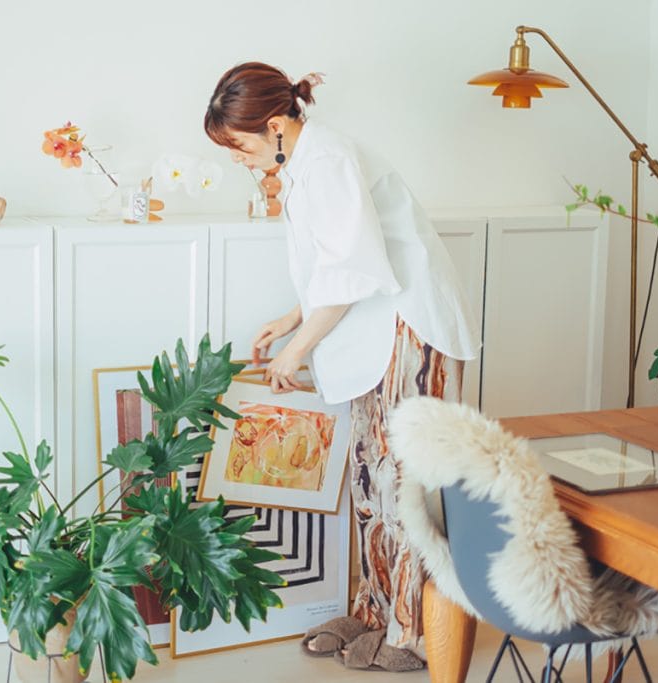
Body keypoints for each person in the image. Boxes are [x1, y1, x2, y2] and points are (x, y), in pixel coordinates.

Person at [203, 62, 480, 671]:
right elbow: (337, 260)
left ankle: (409, 631)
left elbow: (356, 267)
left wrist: (298, 346)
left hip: (410, 328)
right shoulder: (302, 164)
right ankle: (373, 612)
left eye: (241, 147)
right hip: (374, 327)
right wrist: (291, 318)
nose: (239, 160)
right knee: (368, 476)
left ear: (276, 126)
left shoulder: (326, 160)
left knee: (403, 482)